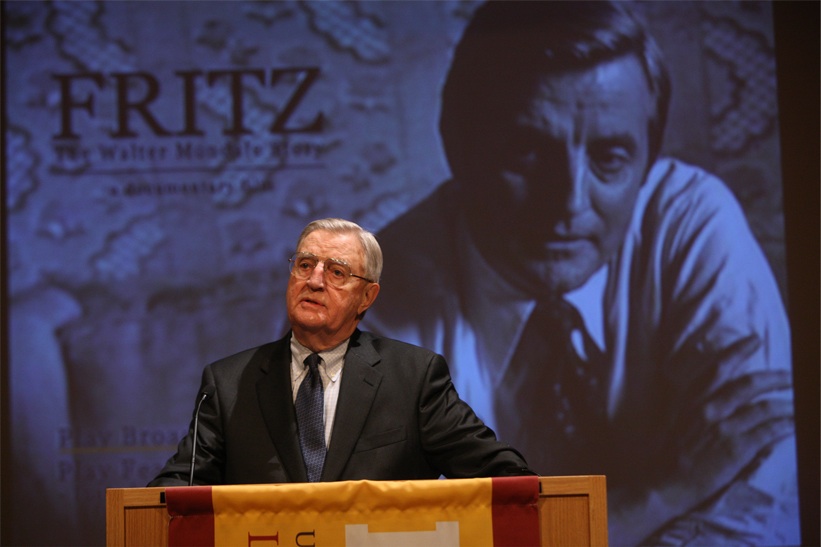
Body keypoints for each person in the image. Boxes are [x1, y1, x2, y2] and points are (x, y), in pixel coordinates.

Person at [364, 2, 798, 545]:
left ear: (647, 162)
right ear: (458, 144)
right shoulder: (370, 304)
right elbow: (390, 539)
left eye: (611, 159)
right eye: (527, 153)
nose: (568, 204)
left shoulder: (689, 220)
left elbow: (768, 499)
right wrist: (664, 494)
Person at [149, 218, 533, 487]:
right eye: (304, 265)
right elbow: (180, 486)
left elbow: (500, 473)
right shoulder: (229, 382)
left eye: (336, 272)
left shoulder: (413, 377)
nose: (314, 280)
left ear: (367, 296)